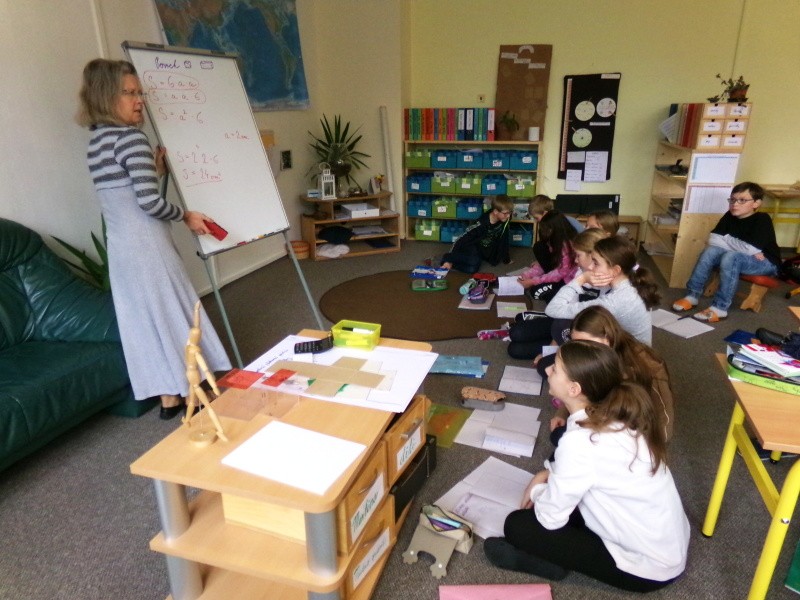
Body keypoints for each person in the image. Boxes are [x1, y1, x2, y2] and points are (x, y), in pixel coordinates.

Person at [78, 58, 231, 419]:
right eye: (129, 93)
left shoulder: (96, 143)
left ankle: (167, 399)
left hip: (121, 249)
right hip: (149, 245)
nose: (139, 101)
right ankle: (195, 389)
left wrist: (154, 170)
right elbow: (149, 204)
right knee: (175, 312)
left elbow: (127, 195)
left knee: (143, 322)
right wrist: (187, 215)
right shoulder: (131, 138)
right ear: (106, 97)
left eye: (139, 93)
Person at [484, 340, 689, 591]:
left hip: (647, 568)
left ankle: (548, 564)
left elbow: (549, 518)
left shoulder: (581, 442)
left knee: (518, 525)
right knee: (562, 501)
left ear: (574, 389)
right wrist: (547, 474)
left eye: (555, 369)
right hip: (662, 544)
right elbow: (588, 468)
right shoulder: (614, 415)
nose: (547, 370)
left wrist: (537, 490)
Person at [550, 306, 675, 446]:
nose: (581, 350)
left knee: (566, 441)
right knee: (559, 436)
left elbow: (664, 423)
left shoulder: (646, 366)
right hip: (605, 412)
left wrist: (641, 449)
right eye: (576, 344)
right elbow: (577, 383)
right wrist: (562, 413)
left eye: (587, 343)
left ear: (607, 338)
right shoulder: (596, 358)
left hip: (629, 430)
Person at [672, 181, 780, 322]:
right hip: (744, 257)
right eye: (732, 200)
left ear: (756, 203)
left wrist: (727, 239)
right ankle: (692, 296)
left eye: (742, 200)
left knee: (731, 256)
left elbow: (751, 249)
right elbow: (714, 240)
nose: (735, 204)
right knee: (710, 251)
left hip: (766, 262)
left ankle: (720, 308)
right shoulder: (729, 215)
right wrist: (744, 247)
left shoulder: (762, 219)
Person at [508, 227, 609, 361]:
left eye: (578, 255)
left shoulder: (608, 285)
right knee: (515, 333)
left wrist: (557, 353)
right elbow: (561, 313)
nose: (576, 260)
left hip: (583, 336)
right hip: (565, 323)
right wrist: (552, 347)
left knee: (516, 350)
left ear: (592, 256)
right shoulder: (581, 273)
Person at [545, 235, 660, 345]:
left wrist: (580, 280)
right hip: (625, 345)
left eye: (595, 263)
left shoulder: (616, 301)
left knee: (562, 325)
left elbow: (553, 309)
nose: (590, 267)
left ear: (615, 270)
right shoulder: (629, 282)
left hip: (627, 355)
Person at [441, 195, 513, 274]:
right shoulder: (481, 223)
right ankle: (447, 258)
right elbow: (461, 239)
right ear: (495, 211)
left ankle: (452, 264)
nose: (508, 215)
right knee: (473, 261)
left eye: (510, 212)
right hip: (474, 245)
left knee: (472, 270)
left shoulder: (505, 218)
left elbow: (505, 236)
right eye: (505, 213)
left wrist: (506, 258)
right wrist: (449, 258)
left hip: (485, 249)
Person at [517, 211, 577, 302]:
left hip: (568, 281)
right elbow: (549, 263)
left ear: (553, 229)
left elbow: (560, 273)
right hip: (560, 275)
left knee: (536, 292)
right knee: (536, 289)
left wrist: (533, 281)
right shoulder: (555, 240)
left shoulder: (568, 246)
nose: (544, 232)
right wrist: (527, 274)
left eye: (545, 230)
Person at [528, 195, 583, 270]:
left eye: (536, 218)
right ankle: (552, 271)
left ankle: (555, 272)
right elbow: (547, 245)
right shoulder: (545, 226)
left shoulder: (567, 222)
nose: (535, 221)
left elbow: (581, 244)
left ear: (545, 213)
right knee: (539, 246)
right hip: (558, 254)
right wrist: (540, 261)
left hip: (572, 255)